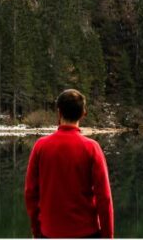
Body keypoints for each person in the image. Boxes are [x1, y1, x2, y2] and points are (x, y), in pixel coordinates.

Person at [24, 89, 114, 239]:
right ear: (83, 113)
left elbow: (30, 194)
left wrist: (36, 230)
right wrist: (108, 236)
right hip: (87, 233)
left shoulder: (41, 146)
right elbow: (104, 198)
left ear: (59, 113)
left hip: (49, 233)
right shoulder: (92, 148)